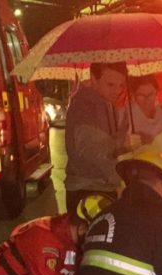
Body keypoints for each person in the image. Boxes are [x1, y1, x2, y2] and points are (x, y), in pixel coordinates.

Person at [64, 62, 135, 214]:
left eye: (121, 85)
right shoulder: (83, 106)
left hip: (104, 189)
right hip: (88, 192)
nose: (117, 90)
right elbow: (90, 150)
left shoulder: (106, 104)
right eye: (110, 85)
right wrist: (122, 142)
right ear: (93, 79)